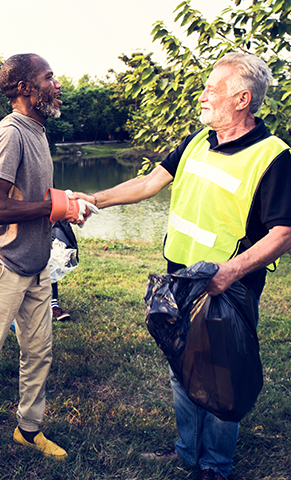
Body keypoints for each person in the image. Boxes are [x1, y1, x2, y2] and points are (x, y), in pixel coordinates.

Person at [70, 52, 291, 480]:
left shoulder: (274, 156)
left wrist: (229, 272)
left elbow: (283, 234)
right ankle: (187, 453)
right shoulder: (196, 141)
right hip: (179, 278)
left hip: (228, 285)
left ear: (242, 99)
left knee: (220, 375)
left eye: (213, 88)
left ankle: (214, 466)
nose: (203, 95)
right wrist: (93, 199)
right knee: (182, 368)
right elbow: (148, 183)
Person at [0, 53, 95, 478]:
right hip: (4, 264)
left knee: (39, 351)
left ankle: (28, 429)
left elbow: (35, 195)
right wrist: (53, 206)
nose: (57, 83)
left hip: (37, 263)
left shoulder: (38, 130)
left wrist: (64, 202)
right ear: (26, 87)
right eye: (49, 77)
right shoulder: (10, 133)